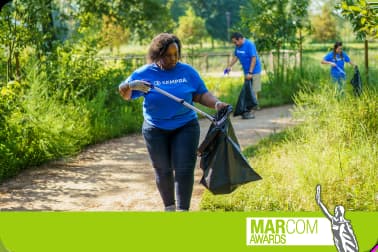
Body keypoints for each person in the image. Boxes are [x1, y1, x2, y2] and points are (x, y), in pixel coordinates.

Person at [118, 33, 228, 211]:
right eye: (168, 55)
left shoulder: (187, 72)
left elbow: (200, 94)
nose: (173, 59)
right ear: (158, 55)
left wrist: (216, 104)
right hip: (155, 128)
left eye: (176, 54)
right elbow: (127, 94)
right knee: (163, 170)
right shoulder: (144, 73)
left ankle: (182, 212)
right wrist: (125, 87)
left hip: (185, 126)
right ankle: (169, 208)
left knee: (184, 169)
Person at [224, 32, 262, 119]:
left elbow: (253, 58)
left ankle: (252, 109)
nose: (235, 44)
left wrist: (251, 72)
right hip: (246, 71)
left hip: (254, 70)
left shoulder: (249, 44)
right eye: (234, 42)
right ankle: (252, 107)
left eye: (235, 42)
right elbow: (236, 56)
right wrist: (229, 66)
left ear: (240, 39)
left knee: (254, 89)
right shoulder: (238, 46)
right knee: (248, 90)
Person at [315, 185, 359, 252]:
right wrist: (319, 201)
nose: (335, 212)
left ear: (339, 213)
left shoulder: (343, 224)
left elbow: (343, 239)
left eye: (336, 211)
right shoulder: (334, 221)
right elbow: (326, 212)